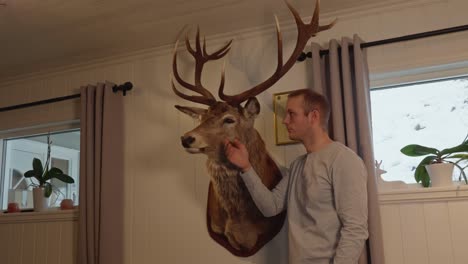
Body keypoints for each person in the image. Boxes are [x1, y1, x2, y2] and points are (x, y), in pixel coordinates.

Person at [224, 89, 368, 264]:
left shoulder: (344, 160)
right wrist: (246, 167)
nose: (285, 121)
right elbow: (270, 206)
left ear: (313, 116)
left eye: (291, 114)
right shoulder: (297, 165)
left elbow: (355, 229)